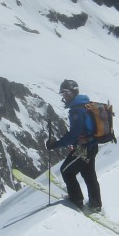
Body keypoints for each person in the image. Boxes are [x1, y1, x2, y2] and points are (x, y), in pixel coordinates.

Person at [46, 79, 102, 213]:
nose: (64, 96)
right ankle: (95, 204)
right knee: (89, 175)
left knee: (66, 171)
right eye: (63, 93)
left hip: (84, 149)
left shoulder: (77, 110)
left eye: (67, 93)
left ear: (74, 91)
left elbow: (74, 135)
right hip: (91, 146)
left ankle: (76, 200)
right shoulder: (85, 104)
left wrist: (55, 144)